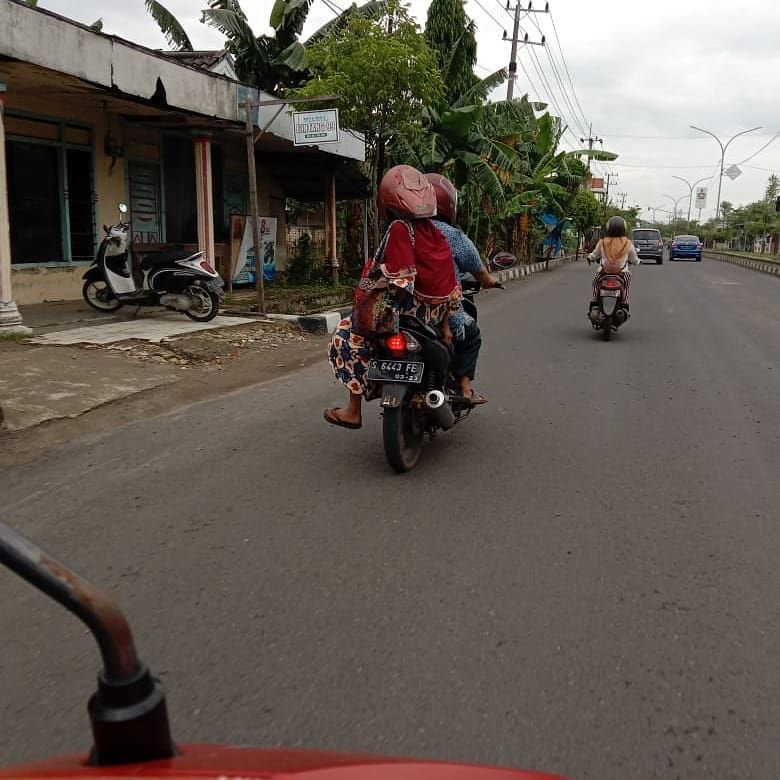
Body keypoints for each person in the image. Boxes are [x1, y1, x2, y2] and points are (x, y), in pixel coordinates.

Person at [324, 165, 461, 430]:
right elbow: (452, 288)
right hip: (431, 319)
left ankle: (353, 409)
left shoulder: (400, 228)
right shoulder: (436, 234)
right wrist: (445, 324)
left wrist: (376, 297)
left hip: (401, 315)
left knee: (345, 334)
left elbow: (402, 280)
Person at [425, 172, 501, 405]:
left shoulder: (400, 229)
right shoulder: (453, 236)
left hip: (401, 310)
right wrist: (492, 281)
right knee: (472, 336)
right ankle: (464, 388)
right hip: (441, 308)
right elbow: (481, 273)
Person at [587, 215, 640, 307]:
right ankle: (623, 303)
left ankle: (595, 301)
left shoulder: (602, 242)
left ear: (608, 228)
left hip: (603, 272)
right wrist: (639, 262)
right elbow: (634, 259)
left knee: (595, 284)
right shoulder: (628, 243)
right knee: (626, 285)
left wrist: (590, 258)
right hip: (622, 273)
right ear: (624, 229)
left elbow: (594, 255)